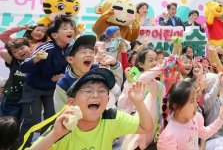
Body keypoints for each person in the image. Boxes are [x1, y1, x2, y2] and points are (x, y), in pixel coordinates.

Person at [27, 68, 154, 150]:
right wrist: (54, 135)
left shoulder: (111, 118)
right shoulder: (63, 129)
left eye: (102, 91)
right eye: (87, 90)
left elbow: (146, 127)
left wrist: (138, 102)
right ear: (71, 102)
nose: (95, 95)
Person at [19, 16, 75, 147]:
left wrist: (62, 75)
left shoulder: (70, 50)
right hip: (33, 88)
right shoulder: (46, 47)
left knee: (51, 119)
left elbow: (71, 66)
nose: (70, 30)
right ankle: (22, 146)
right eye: (65, 28)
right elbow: (23, 66)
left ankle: (44, 145)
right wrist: (35, 60)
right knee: (32, 119)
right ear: (55, 35)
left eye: (72, 28)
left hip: (51, 89)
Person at [157, 77, 223, 150]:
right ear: (176, 105)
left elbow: (204, 134)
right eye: (192, 101)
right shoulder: (168, 137)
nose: (196, 105)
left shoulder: (196, 118)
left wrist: (220, 119)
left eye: (196, 100)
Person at [0, 38, 31, 120]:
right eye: (15, 51)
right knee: (6, 123)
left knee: (21, 125)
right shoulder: (14, 62)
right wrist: (12, 45)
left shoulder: (36, 63)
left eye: (22, 48)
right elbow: (3, 52)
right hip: (11, 100)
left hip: (27, 101)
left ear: (29, 46)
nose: (20, 52)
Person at [203, 72, 223, 150]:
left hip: (220, 136)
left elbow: (217, 93)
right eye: (215, 83)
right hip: (211, 139)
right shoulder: (205, 100)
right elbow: (212, 95)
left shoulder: (218, 99)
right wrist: (218, 81)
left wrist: (222, 82)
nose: (218, 84)